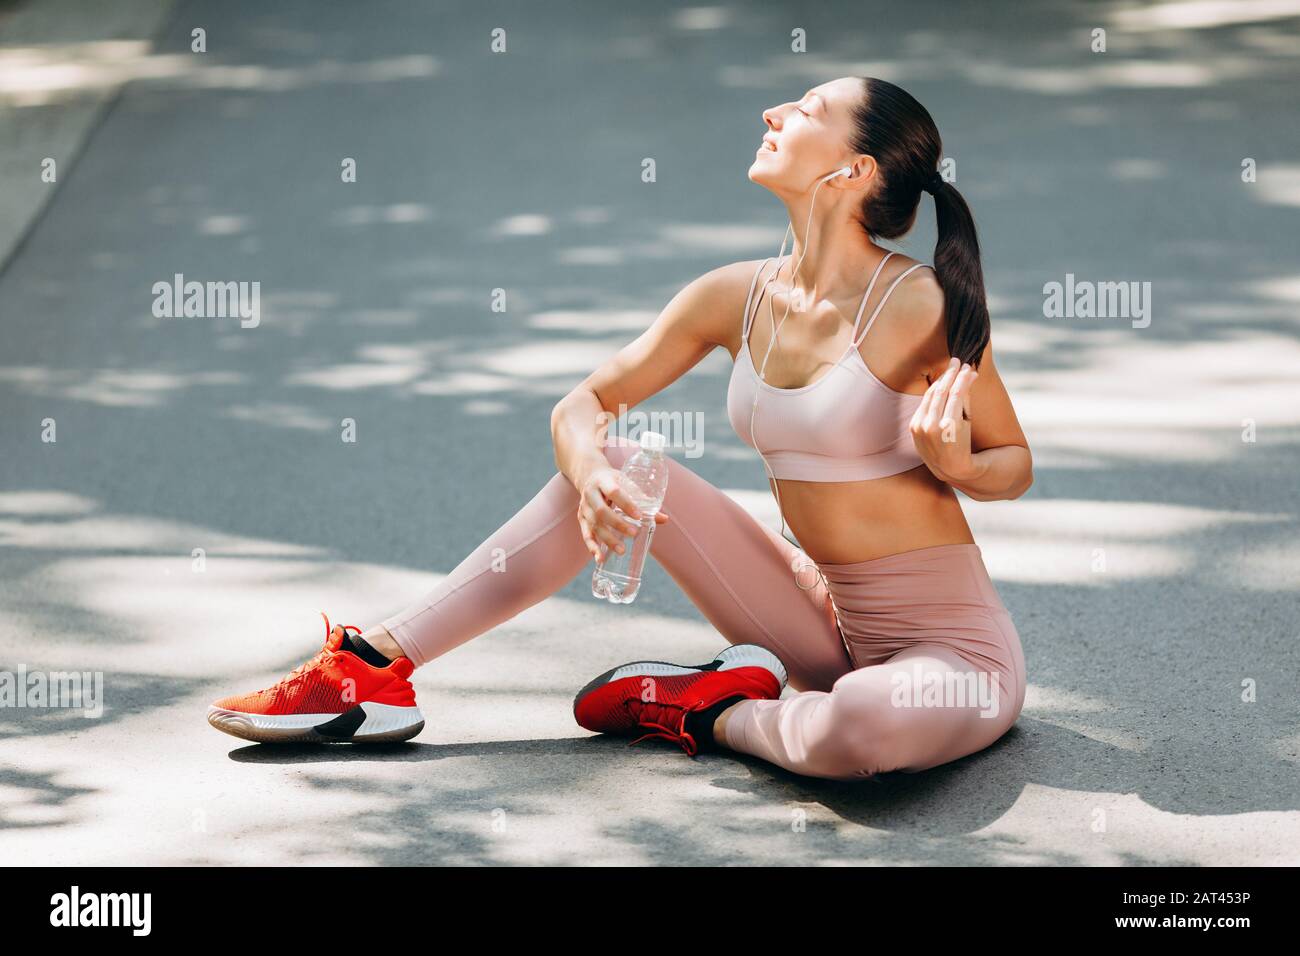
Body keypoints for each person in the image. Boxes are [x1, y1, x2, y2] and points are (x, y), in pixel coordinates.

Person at [208, 76, 1032, 782]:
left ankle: (711, 710)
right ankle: (372, 667)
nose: (774, 113)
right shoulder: (735, 295)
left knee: (857, 729)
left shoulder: (919, 305)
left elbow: (1014, 461)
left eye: (808, 109)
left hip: (951, 657)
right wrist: (592, 475)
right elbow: (584, 406)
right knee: (622, 463)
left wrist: (957, 463)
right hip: (818, 617)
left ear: (854, 170)